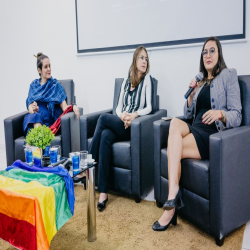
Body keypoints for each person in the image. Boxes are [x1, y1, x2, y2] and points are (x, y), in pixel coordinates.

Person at [152, 36, 242, 231]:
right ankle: (173, 196)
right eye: (204, 52)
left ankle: (170, 207)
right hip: (195, 126)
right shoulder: (200, 81)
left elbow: (237, 115)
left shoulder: (228, 75)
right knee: (175, 122)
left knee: (172, 148)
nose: (207, 55)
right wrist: (191, 94)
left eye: (212, 51)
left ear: (219, 54)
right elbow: (188, 114)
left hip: (210, 133)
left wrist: (220, 114)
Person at [89, 46, 152, 211]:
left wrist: (133, 116)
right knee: (104, 137)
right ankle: (103, 192)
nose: (144, 61)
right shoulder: (125, 81)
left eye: (146, 58)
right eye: (141, 58)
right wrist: (123, 115)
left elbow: (149, 107)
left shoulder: (147, 80)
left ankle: (87, 163)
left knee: (102, 118)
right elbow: (117, 108)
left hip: (133, 127)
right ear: (135, 60)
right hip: (121, 122)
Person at [23, 53, 79, 135]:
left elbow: (65, 107)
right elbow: (30, 106)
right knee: (35, 117)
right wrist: (33, 109)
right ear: (39, 70)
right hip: (32, 119)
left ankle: (33, 144)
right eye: (46, 67)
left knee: (35, 125)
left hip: (46, 122)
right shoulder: (33, 85)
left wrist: (74, 105)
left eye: (49, 66)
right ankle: (40, 142)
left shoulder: (55, 86)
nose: (49, 69)